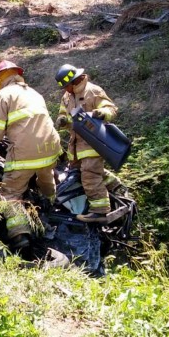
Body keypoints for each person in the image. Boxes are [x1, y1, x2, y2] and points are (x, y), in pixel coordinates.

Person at [0, 60, 62, 250]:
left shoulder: (3, 95)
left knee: (10, 193)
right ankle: (52, 208)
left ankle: (20, 236)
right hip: (51, 148)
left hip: (25, 153)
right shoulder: (34, 93)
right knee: (46, 181)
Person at [54, 64, 118, 222]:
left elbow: (111, 108)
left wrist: (102, 113)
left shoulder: (92, 91)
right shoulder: (67, 97)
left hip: (93, 143)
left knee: (89, 175)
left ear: (74, 81)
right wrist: (61, 120)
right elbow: (63, 113)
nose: (65, 89)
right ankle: (114, 184)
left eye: (66, 86)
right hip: (75, 146)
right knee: (84, 173)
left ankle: (100, 211)